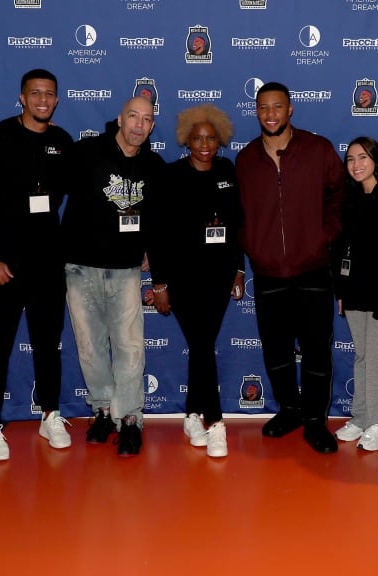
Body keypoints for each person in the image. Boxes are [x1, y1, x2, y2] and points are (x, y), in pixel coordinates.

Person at [235, 82, 346, 454]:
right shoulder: (246, 158)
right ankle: (291, 410)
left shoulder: (318, 149)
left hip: (313, 269)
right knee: (276, 351)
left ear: (290, 109)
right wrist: (253, 245)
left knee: (316, 351)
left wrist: (324, 236)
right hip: (267, 273)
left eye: (277, 107)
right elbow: (239, 214)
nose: (270, 114)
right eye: (263, 108)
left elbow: (339, 195)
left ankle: (316, 422)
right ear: (256, 111)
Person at [0, 69, 74, 461]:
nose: (43, 100)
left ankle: (51, 414)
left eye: (49, 94)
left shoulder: (62, 143)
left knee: (48, 346)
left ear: (57, 99)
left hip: (48, 265)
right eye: (35, 93)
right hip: (3, 265)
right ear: (21, 97)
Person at [63, 96, 166, 457]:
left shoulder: (154, 166)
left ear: (153, 126)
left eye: (147, 119)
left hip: (125, 269)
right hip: (79, 266)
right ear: (120, 119)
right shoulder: (86, 152)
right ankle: (103, 411)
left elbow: (157, 220)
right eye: (133, 117)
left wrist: (153, 255)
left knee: (129, 347)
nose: (139, 125)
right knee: (89, 346)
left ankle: (131, 419)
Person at [145, 104, 244, 458]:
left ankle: (190, 414)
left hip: (218, 278)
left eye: (210, 138)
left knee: (202, 346)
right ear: (187, 140)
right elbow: (155, 233)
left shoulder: (227, 171)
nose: (204, 144)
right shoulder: (170, 176)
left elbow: (236, 225)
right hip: (182, 279)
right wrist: (159, 285)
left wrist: (239, 269)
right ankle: (215, 422)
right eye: (197, 138)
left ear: (220, 140)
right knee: (202, 345)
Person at [331, 137, 378, 452]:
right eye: (350, 159)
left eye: (362, 157)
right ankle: (360, 417)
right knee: (361, 355)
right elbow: (342, 250)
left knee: (374, 356)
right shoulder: (349, 199)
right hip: (355, 289)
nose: (356, 164)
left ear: (376, 159)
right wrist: (341, 289)